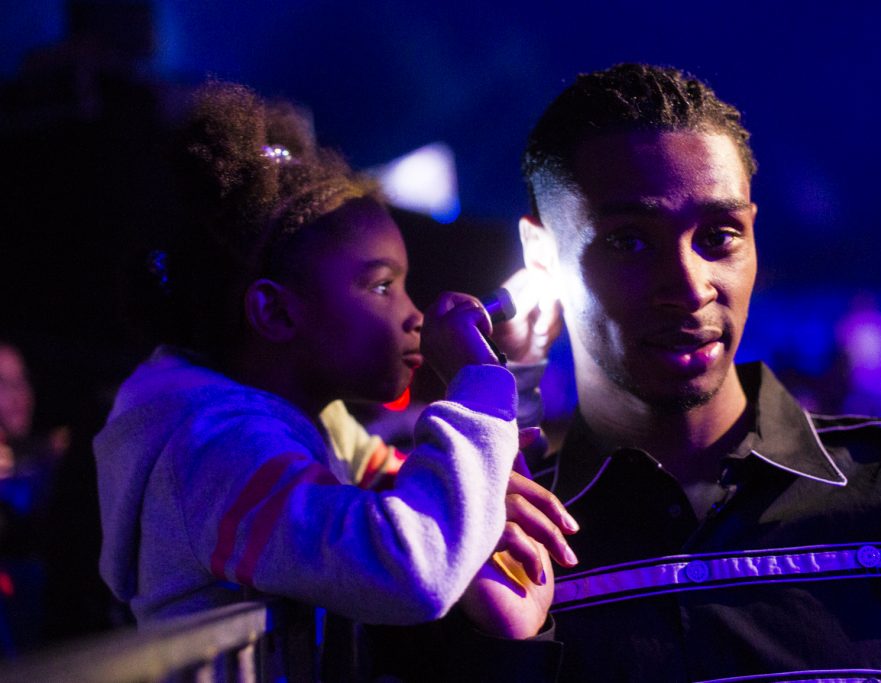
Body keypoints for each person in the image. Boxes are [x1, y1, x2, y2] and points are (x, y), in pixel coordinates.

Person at [376, 63, 881, 682]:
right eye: (630, 240)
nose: (689, 286)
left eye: (718, 236)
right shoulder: (460, 548)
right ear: (542, 254)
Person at [92, 82, 576, 639]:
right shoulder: (218, 450)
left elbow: (454, 498)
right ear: (275, 313)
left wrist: (516, 365)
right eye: (381, 286)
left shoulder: (320, 424)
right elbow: (416, 567)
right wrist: (477, 381)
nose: (414, 314)